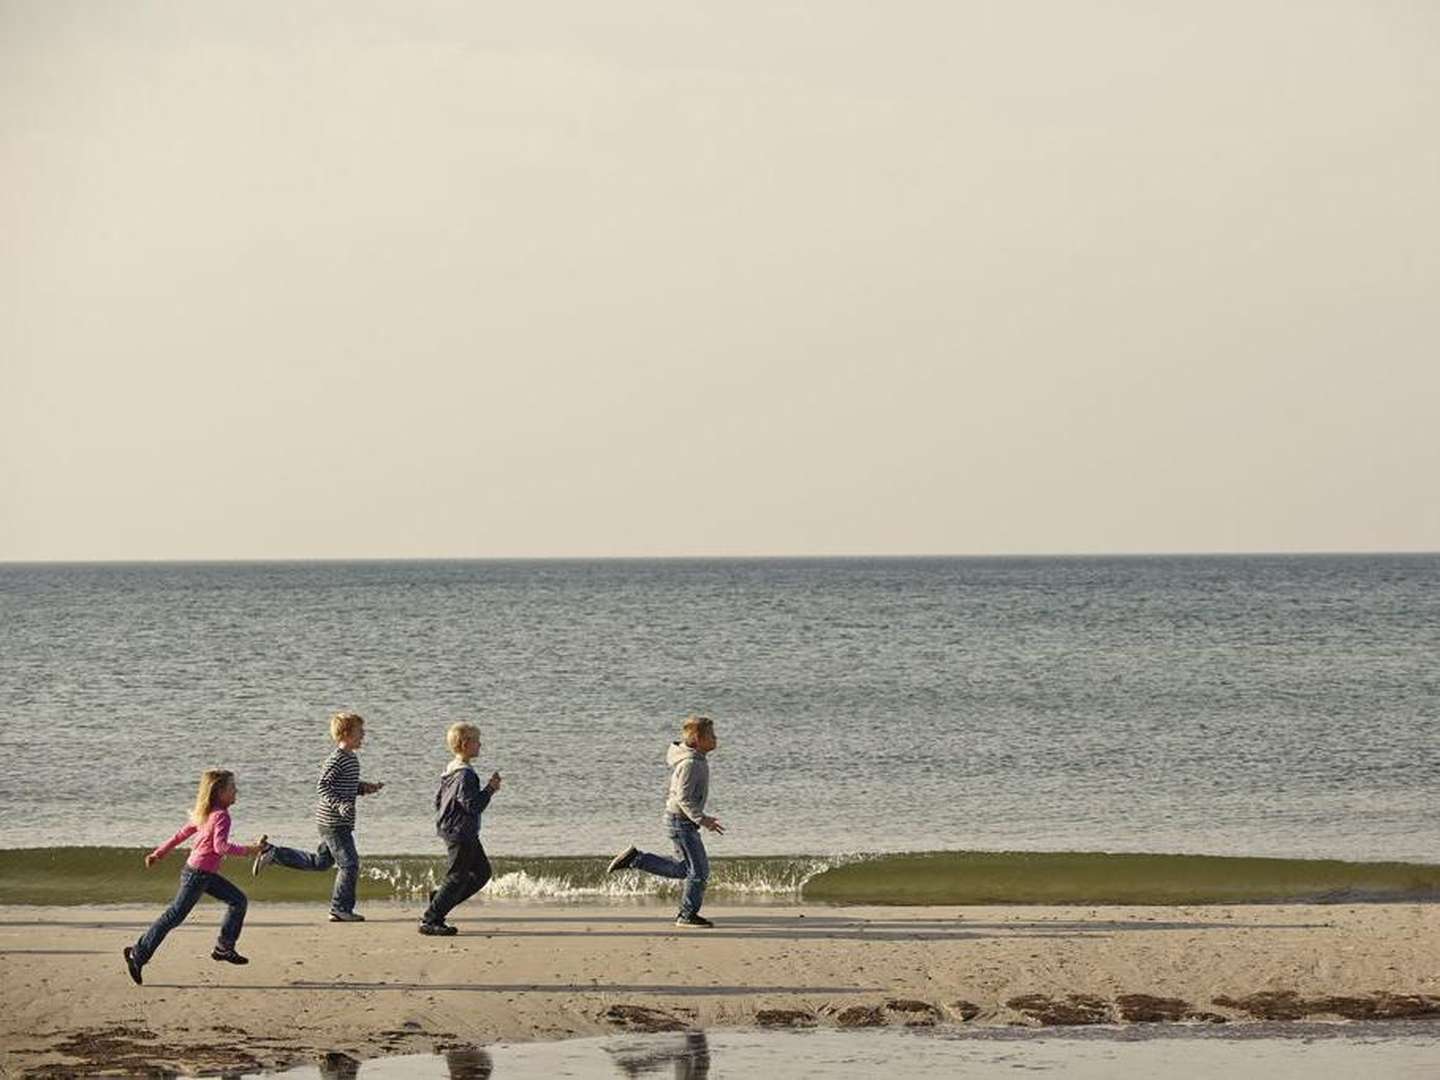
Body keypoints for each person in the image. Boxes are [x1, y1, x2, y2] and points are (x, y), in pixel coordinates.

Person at [124, 768, 262, 984]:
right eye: (232, 788)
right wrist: (250, 850)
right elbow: (221, 847)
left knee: (238, 900)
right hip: (197, 875)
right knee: (173, 917)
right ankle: (138, 953)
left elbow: (180, 835)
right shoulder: (221, 816)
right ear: (219, 792)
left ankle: (224, 948)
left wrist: (158, 854)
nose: (237, 791)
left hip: (201, 873)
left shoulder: (207, 813)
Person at [251, 711, 383, 922]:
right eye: (360, 731)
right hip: (333, 822)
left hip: (338, 821)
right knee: (349, 864)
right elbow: (323, 787)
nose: (363, 735)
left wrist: (366, 788)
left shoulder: (351, 758)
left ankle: (274, 854)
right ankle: (340, 908)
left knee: (321, 862)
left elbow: (346, 786)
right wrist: (340, 805)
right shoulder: (337, 759)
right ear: (347, 734)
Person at [607, 714, 724, 928]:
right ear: (697, 739)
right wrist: (703, 819)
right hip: (681, 822)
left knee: (683, 869)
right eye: (711, 735)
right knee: (699, 871)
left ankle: (636, 859)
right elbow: (683, 797)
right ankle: (687, 915)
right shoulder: (690, 764)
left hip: (680, 821)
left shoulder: (696, 760)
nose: (716, 739)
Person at [420, 722, 502, 936]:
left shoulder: (451, 769)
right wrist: (490, 789)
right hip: (460, 831)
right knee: (457, 876)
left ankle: (440, 898)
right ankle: (431, 919)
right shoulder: (465, 774)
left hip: (458, 829)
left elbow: (438, 800)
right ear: (465, 744)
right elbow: (472, 805)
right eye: (477, 741)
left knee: (482, 872)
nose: (480, 745)